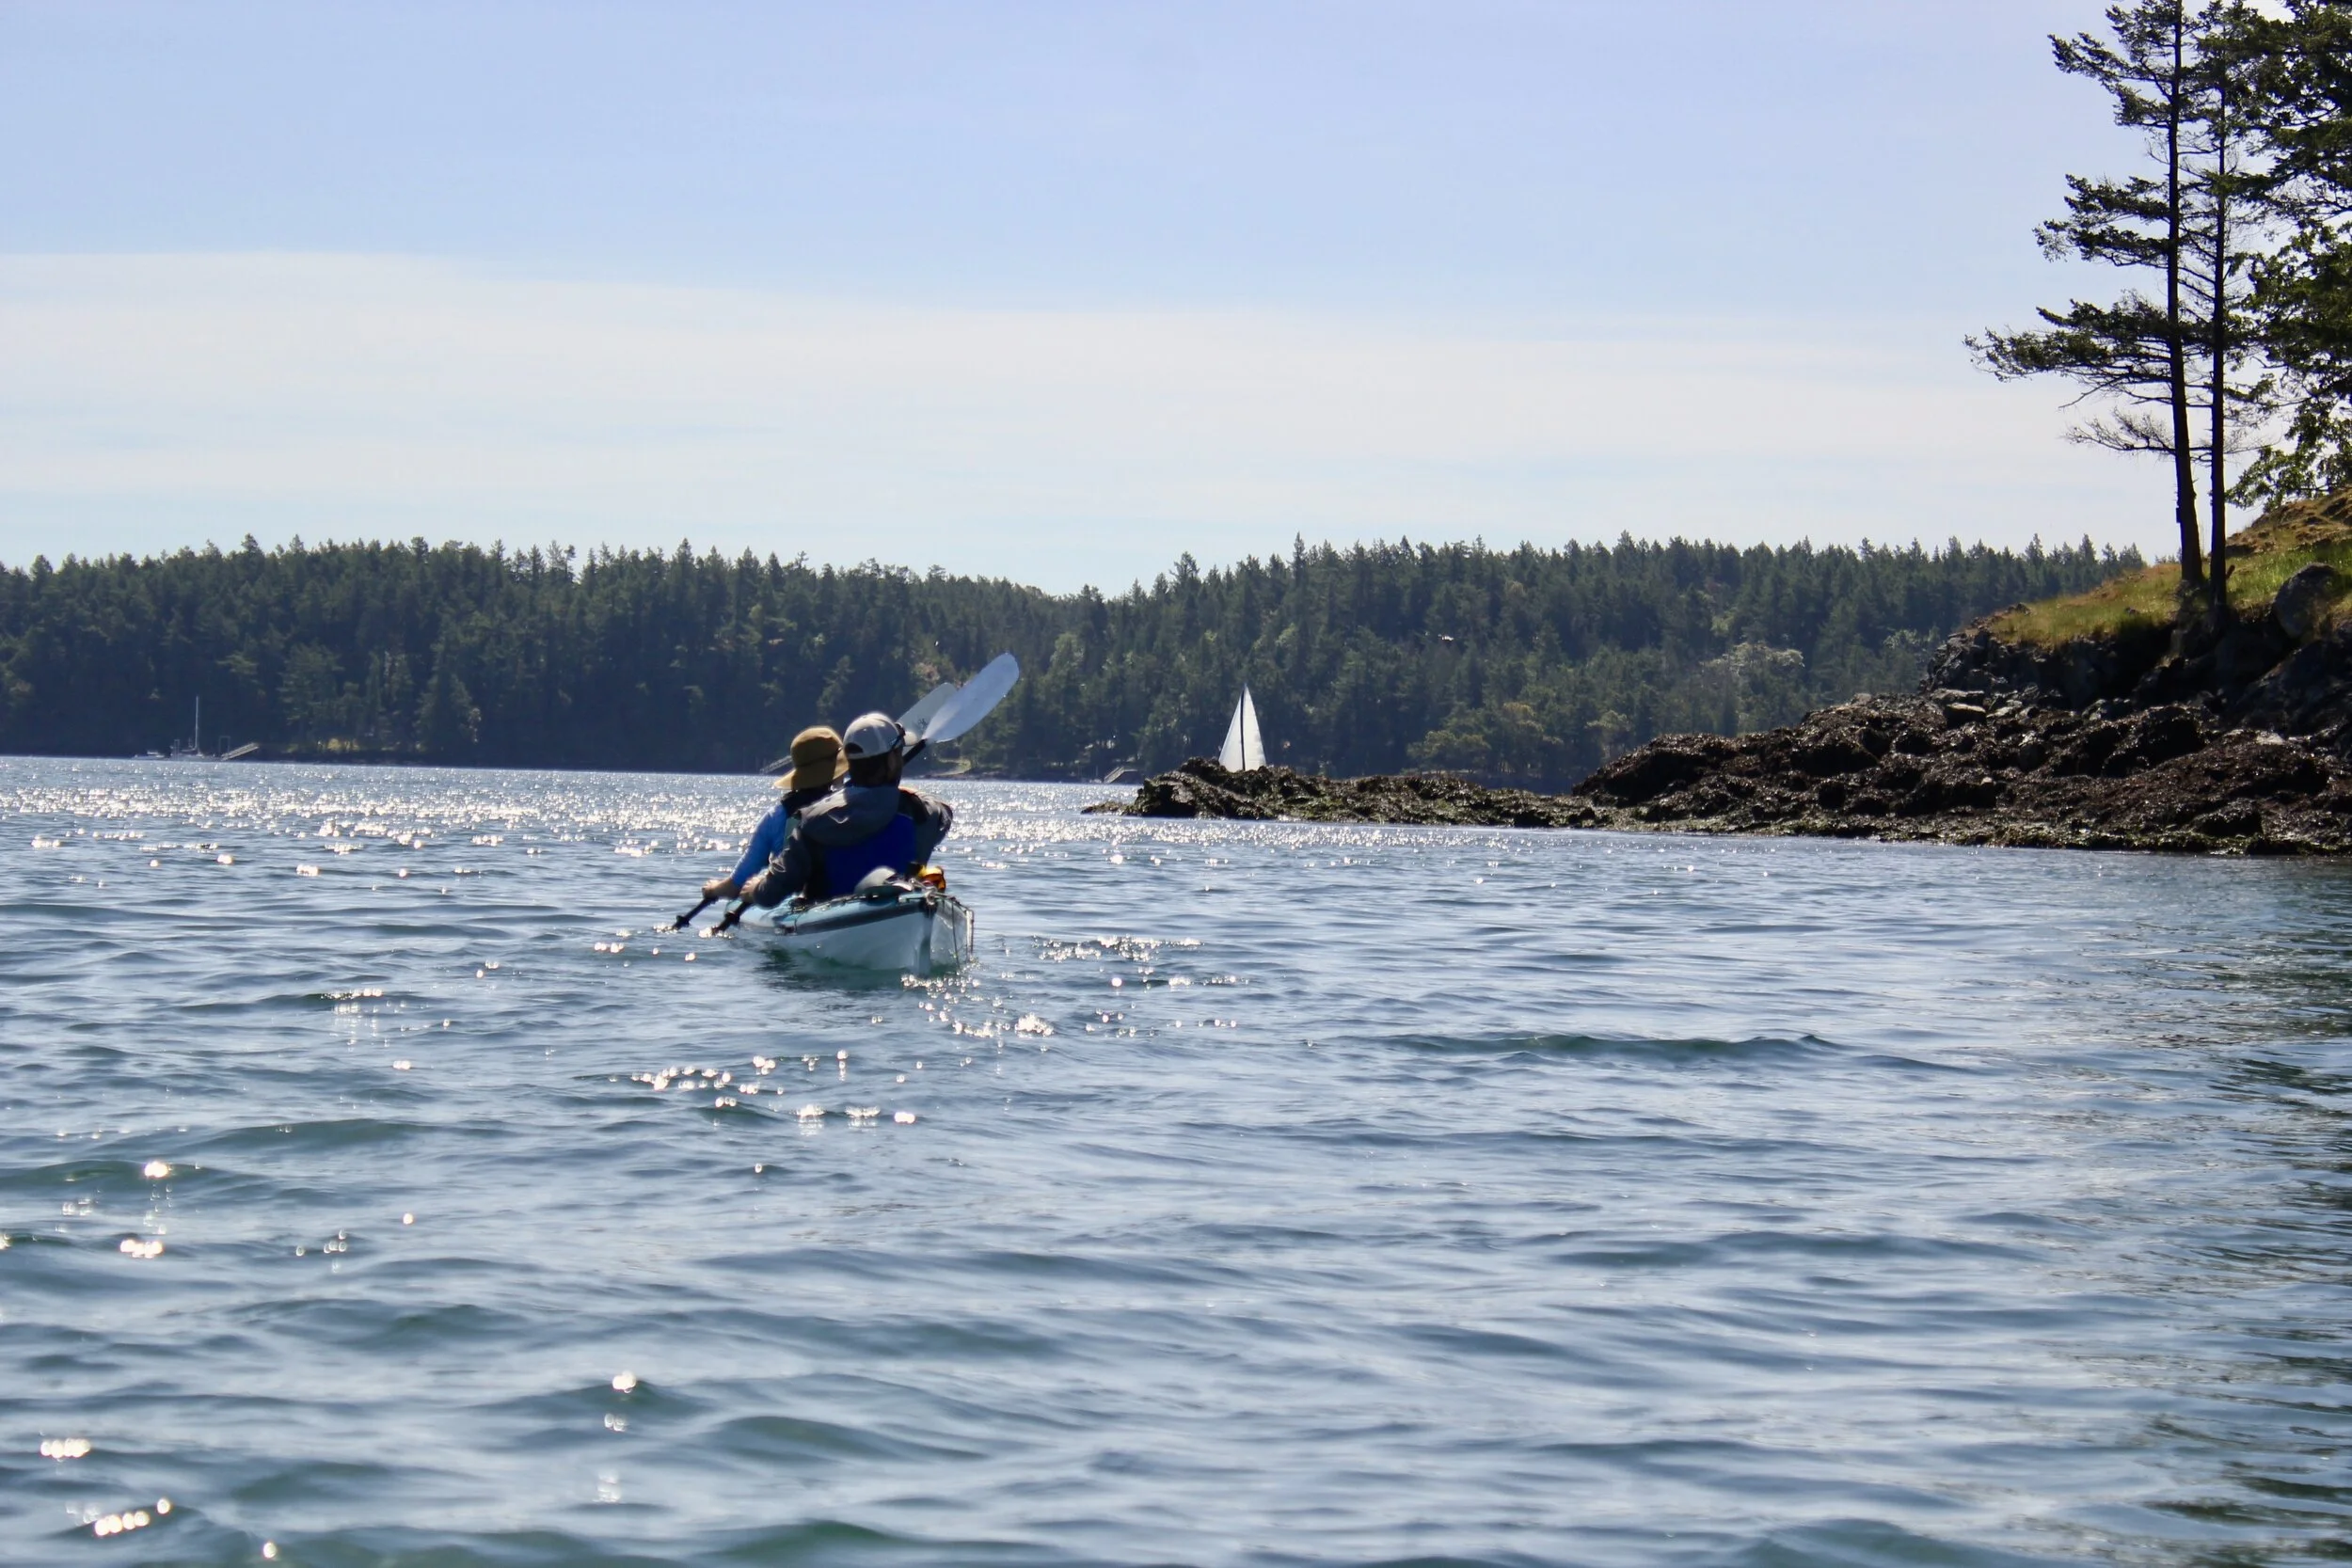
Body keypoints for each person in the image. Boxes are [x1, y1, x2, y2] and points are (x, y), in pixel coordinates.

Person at [745, 711, 954, 907]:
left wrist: (754, 890)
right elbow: (945, 811)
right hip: (898, 912)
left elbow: (771, 895)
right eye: (898, 754)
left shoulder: (810, 820)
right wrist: (899, 790)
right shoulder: (922, 813)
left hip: (829, 921)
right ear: (891, 761)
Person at [698, 726, 846, 908]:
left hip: (785, 900)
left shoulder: (776, 817)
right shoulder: (850, 806)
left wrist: (713, 889)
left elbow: (735, 886)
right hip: (837, 897)